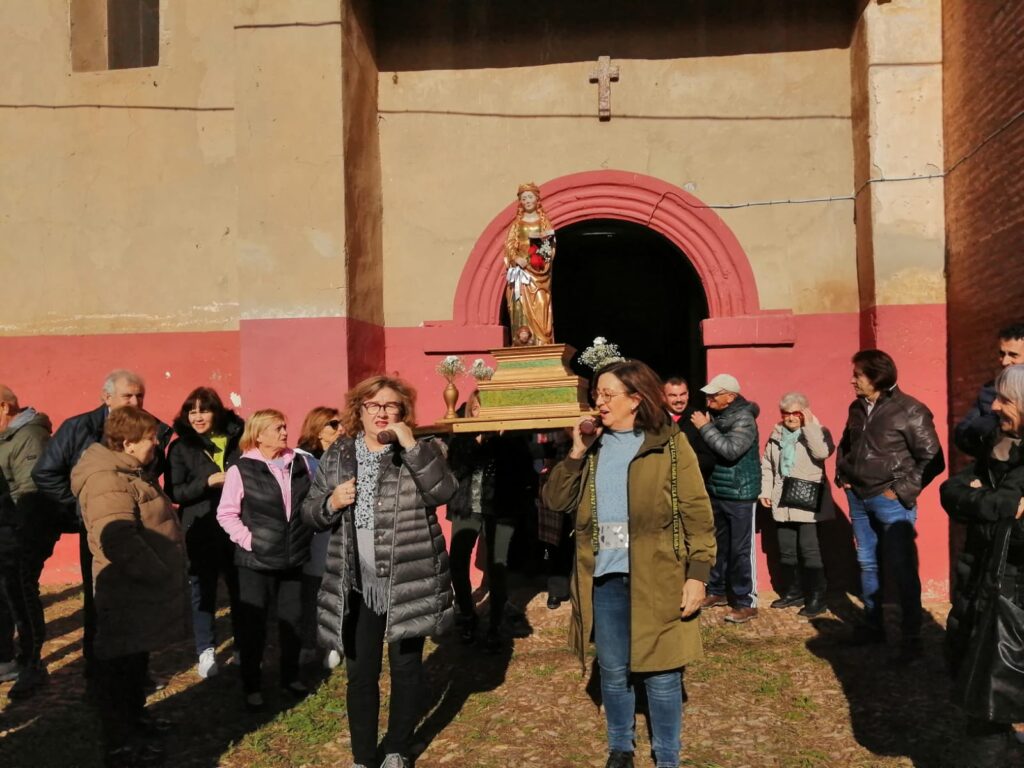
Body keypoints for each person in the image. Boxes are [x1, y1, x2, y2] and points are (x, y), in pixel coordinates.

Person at [543, 359, 716, 768]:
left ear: (636, 399)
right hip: (604, 576)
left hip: (658, 575)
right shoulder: (593, 447)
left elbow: (697, 513)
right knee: (613, 669)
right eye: (596, 394)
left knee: (662, 672)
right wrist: (576, 451)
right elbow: (555, 501)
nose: (599, 402)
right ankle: (620, 748)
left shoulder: (669, 445)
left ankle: (667, 756)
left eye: (608, 394)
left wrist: (698, 575)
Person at [302, 375, 457, 768]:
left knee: (405, 669)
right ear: (360, 410)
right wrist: (332, 502)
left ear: (402, 411)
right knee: (361, 673)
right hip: (357, 582)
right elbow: (309, 513)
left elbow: (443, 493)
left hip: (408, 578)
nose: (382, 412)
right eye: (373, 405)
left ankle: (397, 748)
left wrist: (411, 446)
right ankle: (362, 756)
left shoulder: (422, 449)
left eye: (391, 405)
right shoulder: (339, 454)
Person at [32, 369, 172, 673]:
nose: (135, 401)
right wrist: (83, 508)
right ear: (106, 397)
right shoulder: (78, 427)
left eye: (139, 396)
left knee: (137, 599)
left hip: (140, 526)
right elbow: (45, 473)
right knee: (101, 599)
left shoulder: (155, 428)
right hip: (98, 527)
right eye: (127, 395)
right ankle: (98, 669)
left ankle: (136, 670)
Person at [69, 406, 185, 768]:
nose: (156, 444)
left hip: (137, 592)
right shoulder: (107, 479)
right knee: (118, 673)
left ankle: (137, 723)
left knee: (134, 665)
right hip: (125, 591)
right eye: (150, 438)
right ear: (127, 442)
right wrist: (158, 572)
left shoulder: (128, 471)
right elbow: (119, 541)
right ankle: (121, 744)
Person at [835, 349, 944, 661]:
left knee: (902, 568)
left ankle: (912, 638)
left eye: (858, 375)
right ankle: (874, 626)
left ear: (877, 376)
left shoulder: (910, 410)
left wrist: (899, 491)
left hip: (891, 501)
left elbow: (933, 459)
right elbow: (847, 443)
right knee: (867, 563)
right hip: (858, 497)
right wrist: (843, 474)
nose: (853, 380)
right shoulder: (856, 407)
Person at [940, 363, 1024, 767]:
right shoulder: (1001, 444)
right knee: (984, 690)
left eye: (1006, 399)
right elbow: (952, 489)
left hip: (1013, 595)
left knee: (993, 696)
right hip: (984, 584)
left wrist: (984, 504)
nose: (994, 406)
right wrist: (994, 505)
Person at [216, 409, 313, 711]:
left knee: (293, 620)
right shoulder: (241, 469)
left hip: (292, 558)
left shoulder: (300, 463)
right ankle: (252, 685)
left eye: (284, 426)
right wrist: (250, 541)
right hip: (255, 562)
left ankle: (290, 677)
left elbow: (310, 501)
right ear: (258, 435)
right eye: (277, 428)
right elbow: (226, 513)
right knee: (253, 625)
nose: (284, 432)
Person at [447, 391, 537, 650]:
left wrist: (499, 439)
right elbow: (456, 469)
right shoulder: (461, 437)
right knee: (457, 562)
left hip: (501, 509)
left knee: (497, 565)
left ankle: (495, 625)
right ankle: (467, 615)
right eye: (476, 407)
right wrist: (473, 441)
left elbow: (521, 472)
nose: (479, 412)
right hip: (467, 507)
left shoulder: (511, 437)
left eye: (485, 407)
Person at [165, 387, 245, 680]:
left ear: (217, 412)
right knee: (203, 590)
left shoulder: (239, 439)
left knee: (241, 589)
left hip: (238, 526)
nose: (197, 417)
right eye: (192, 411)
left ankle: (243, 645)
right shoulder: (180, 447)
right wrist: (206, 482)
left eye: (204, 410)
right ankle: (206, 649)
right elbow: (174, 491)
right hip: (200, 527)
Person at [692, 373, 761, 623]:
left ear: (730, 397)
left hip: (740, 493)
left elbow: (730, 451)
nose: (708, 399)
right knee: (718, 546)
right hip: (718, 491)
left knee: (741, 550)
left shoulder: (744, 419)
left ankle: (746, 602)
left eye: (714, 395)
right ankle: (717, 590)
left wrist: (704, 427)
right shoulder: (718, 415)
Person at [758, 392, 835, 617]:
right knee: (786, 550)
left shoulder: (819, 431)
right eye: (786, 413)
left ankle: (818, 598)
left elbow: (822, 452)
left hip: (806, 498)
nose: (790, 418)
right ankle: (794, 592)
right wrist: (765, 491)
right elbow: (767, 465)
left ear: (805, 412)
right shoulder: (776, 434)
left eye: (795, 413)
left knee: (809, 550)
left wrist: (809, 426)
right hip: (782, 499)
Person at [0, 385, 54, 698]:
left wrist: (17, 533)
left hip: (24, 531)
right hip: (8, 529)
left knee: (22, 594)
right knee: (6, 594)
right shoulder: (7, 436)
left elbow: (29, 493)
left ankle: (32, 663)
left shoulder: (29, 436)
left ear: (4, 407)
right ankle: (8, 659)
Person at [295, 406, 342, 668]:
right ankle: (308, 642)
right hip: (312, 533)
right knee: (312, 591)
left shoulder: (344, 455)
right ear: (318, 429)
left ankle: (333, 643)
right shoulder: (301, 460)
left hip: (338, 531)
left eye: (340, 424)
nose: (340, 429)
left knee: (335, 590)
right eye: (333, 424)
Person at [954, 323, 1024, 458]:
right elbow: (963, 433)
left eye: (1013, 355)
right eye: (1002, 354)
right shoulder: (990, 390)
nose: (1004, 361)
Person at [503, 182, 556, 345]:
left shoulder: (544, 222)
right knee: (519, 306)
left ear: (537, 199)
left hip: (538, 271)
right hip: (521, 272)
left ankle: (542, 341)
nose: (527, 201)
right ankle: (522, 342)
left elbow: (549, 246)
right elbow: (510, 245)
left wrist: (538, 259)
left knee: (541, 302)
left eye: (530, 197)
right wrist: (516, 258)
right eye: (524, 198)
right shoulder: (517, 224)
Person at [663, 376, 716, 482]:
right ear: (663, 397)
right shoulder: (653, 419)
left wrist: (682, 463)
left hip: (689, 482)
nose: (679, 400)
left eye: (683, 394)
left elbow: (708, 460)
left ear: (688, 395)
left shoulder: (699, 418)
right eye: (673, 395)